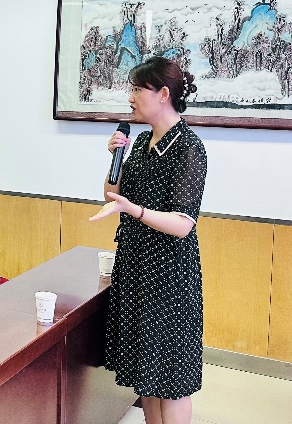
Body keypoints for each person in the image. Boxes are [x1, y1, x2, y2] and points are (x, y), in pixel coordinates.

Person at [87, 56, 207, 424]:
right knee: (148, 376)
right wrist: (115, 158)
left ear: (164, 94)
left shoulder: (189, 147)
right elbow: (113, 195)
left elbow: (183, 224)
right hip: (135, 266)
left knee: (172, 380)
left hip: (168, 275)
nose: (130, 97)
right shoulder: (139, 142)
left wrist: (136, 210)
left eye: (138, 89)